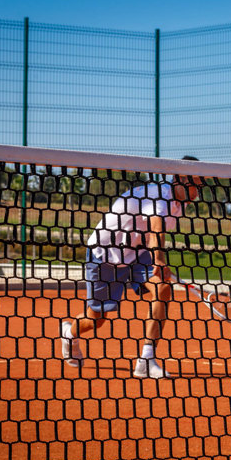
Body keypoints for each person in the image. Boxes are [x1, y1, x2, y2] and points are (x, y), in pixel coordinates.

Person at [61, 156, 203, 378]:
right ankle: (69, 334)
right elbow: (156, 230)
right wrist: (159, 260)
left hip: (136, 253)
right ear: (179, 179)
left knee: (163, 288)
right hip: (104, 252)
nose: (197, 191)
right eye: (195, 184)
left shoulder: (179, 204)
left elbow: (149, 234)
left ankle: (146, 360)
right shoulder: (159, 196)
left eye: (200, 186)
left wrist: (153, 259)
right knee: (96, 319)